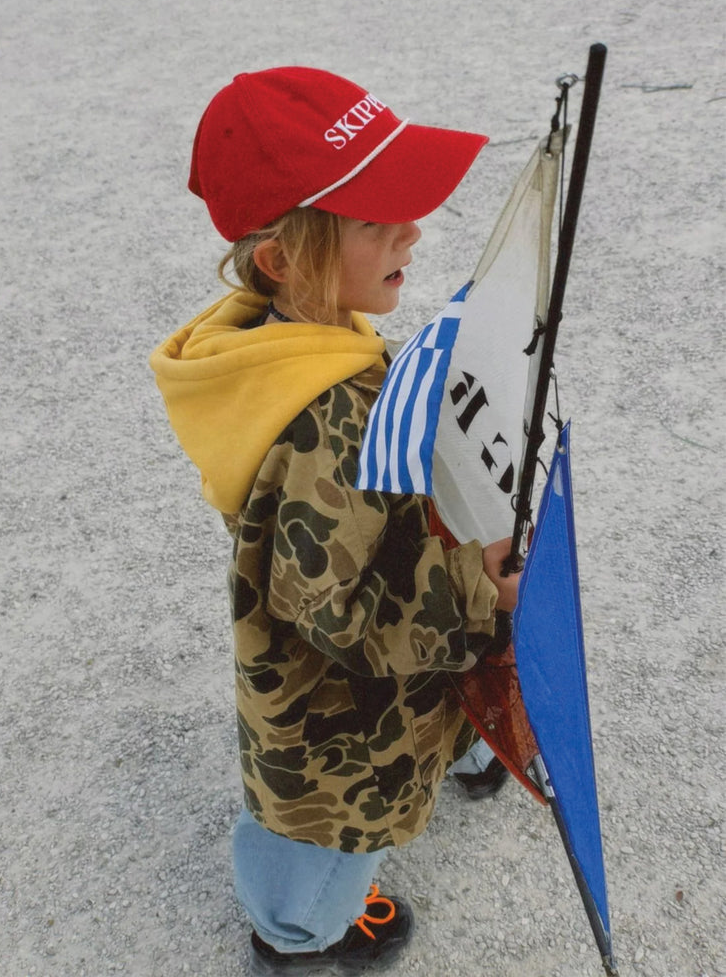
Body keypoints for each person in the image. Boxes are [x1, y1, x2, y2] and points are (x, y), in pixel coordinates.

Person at [150, 66, 520, 976]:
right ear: (284, 258)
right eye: (375, 218)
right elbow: (341, 612)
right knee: (322, 833)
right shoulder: (319, 423)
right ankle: (297, 931)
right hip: (340, 717)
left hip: (380, 669)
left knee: (340, 803)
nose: (415, 230)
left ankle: (435, 765)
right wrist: (480, 585)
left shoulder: (296, 340)